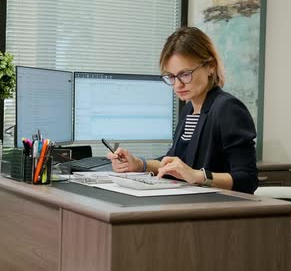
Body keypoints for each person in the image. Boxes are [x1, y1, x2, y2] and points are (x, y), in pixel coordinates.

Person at [107, 26, 258, 194]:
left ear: (210, 67)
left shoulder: (228, 108)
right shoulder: (188, 110)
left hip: (218, 211)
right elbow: (173, 163)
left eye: (185, 74)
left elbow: (247, 179)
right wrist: (138, 164)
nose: (177, 85)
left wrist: (198, 176)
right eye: (171, 77)